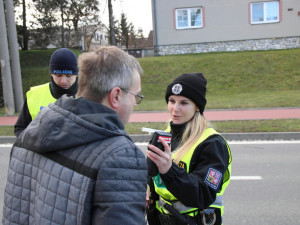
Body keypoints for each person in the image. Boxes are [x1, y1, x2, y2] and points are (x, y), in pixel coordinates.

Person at [3, 46, 148, 225]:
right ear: (116, 95)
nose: (135, 102)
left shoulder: (29, 134)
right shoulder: (122, 157)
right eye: (136, 94)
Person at [146, 73, 232, 225]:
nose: (175, 109)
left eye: (184, 103)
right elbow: (154, 180)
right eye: (171, 101)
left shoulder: (212, 144)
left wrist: (169, 170)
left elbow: (203, 194)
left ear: (197, 106)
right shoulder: (166, 134)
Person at [14, 48, 79, 137]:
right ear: (51, 73)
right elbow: (20, 129)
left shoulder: (91, 95)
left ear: (77, 74)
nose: (63, 81)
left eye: (69, 76)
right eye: (58, 75)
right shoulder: (34, 95)